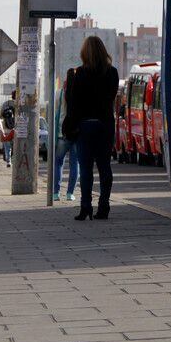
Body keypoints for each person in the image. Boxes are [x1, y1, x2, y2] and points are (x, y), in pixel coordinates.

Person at [62, 36, 119, 221]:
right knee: (104, 167)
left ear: (84, 53)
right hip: (105, 125)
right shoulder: (112, 73)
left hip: (84, 126)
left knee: (85, 168)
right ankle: (104, 205)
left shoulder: (78, 74)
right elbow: (111, 97)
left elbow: (73, 104)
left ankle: (85, 206)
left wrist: (71, 125)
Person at [52, 69, 80, 201]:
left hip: (61, 133)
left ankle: (56, 193)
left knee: (58, 163)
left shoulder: (59, 93)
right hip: (76, 134)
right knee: (75, 164)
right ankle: (70, 193)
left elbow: (55, 113)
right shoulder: (81, 93)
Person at [0, 91, 16, 166]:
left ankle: (9, 161)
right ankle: (16, 160)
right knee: (17, 146)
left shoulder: (6, 103)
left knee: (7, 147)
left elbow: (1, 115)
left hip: (6, 128)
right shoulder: (21, 104)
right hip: (17, 129)